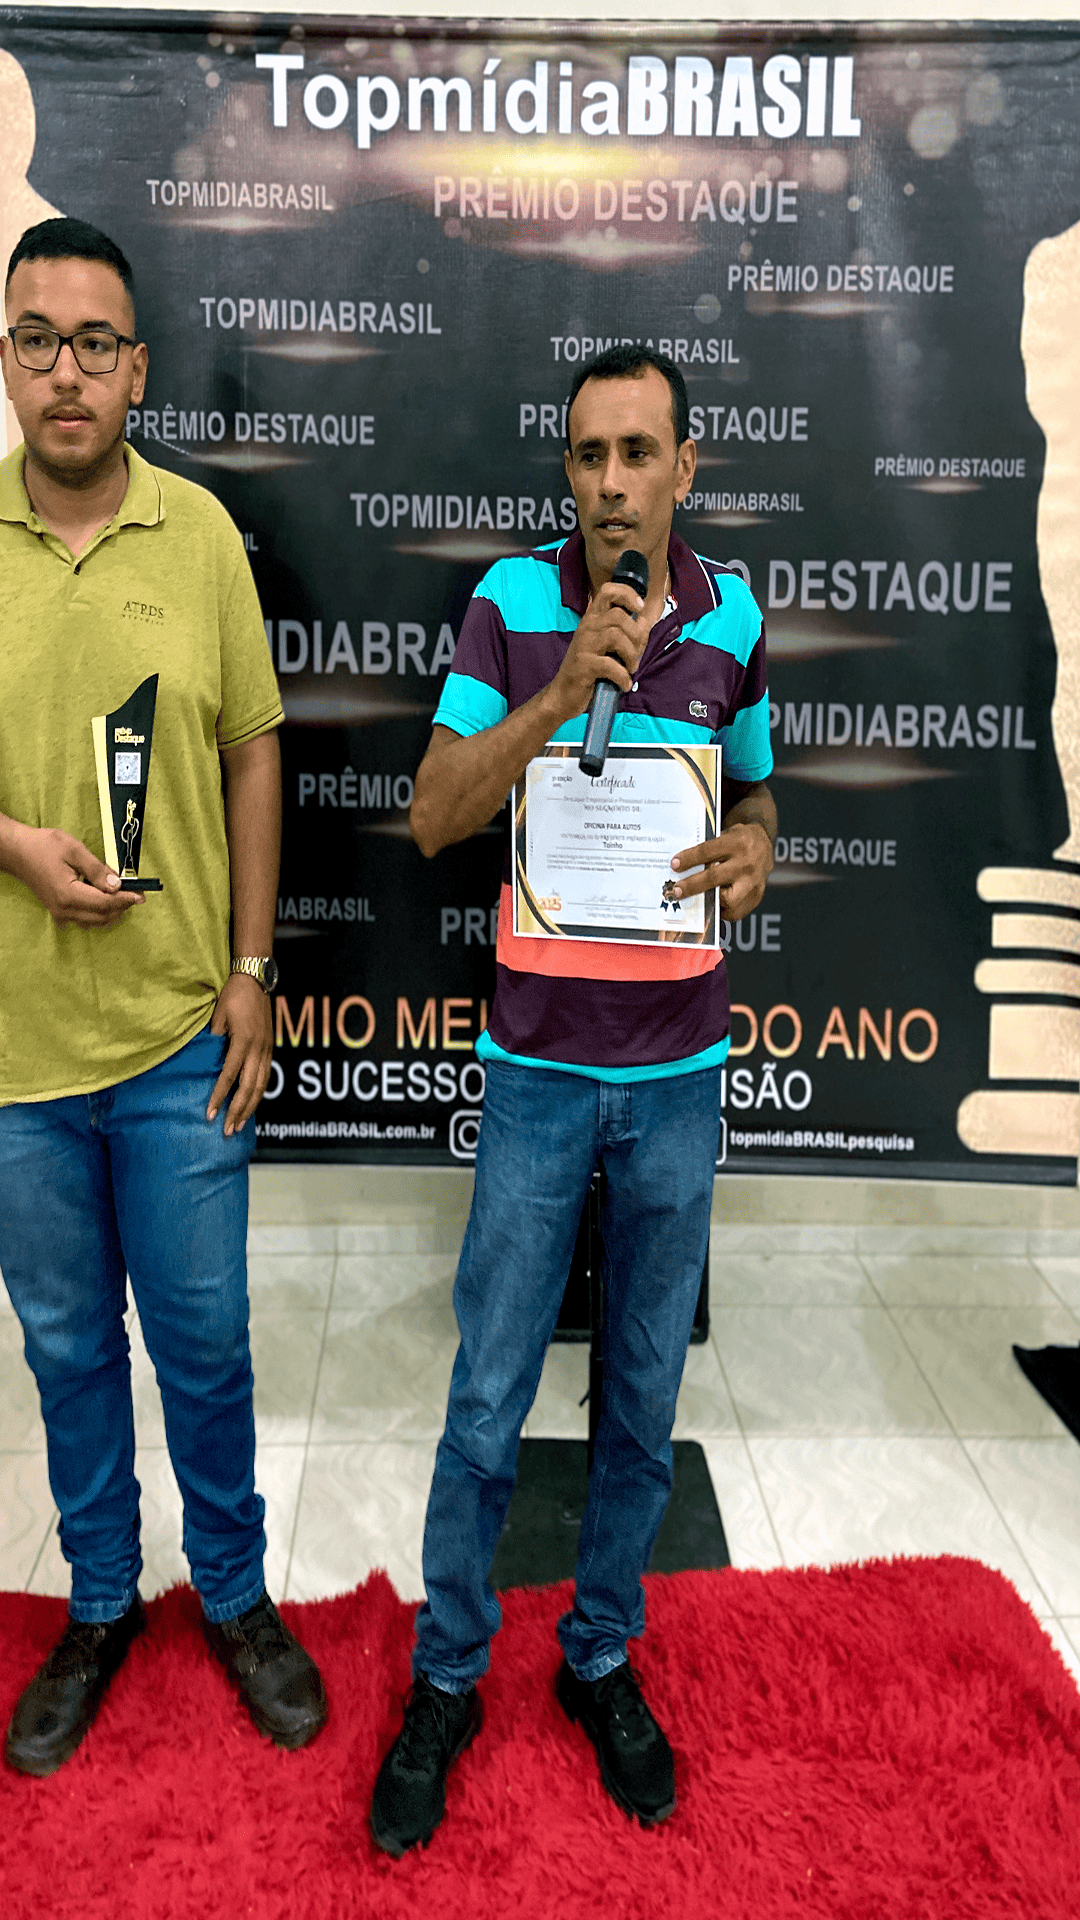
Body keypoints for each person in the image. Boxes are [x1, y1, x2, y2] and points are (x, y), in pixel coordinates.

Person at [370, 344, 775, 1854]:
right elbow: (432, 816)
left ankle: (600, 1654)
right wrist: (559, 693)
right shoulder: (509, 605)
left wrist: (760, 846)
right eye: (589, 455)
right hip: (540, 1077)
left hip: (677, 1079)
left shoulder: (733, 615)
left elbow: (757, 789)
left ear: (685, 469)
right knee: (488, 1398)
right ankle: (448, 1673)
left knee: (643, 1399)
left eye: (638, 452)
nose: (613, 482)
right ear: (569, 475)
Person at [0, 217, 326, 1775]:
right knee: (68, 1351)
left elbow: (254, 749)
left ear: (137, 367)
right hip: (16, 1055)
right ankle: (100, 1603)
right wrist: (13, 847)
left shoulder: (197, 534)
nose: (65, 372)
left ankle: (237, 1596)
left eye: (94, 344)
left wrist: (254, 971)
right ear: (7, 361)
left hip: (182, 1039)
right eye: (36, 340)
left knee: (203, 1344)